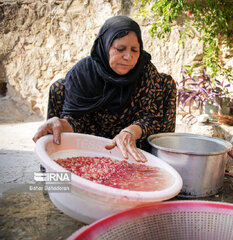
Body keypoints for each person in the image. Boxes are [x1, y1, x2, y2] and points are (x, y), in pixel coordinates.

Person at [32, 15, 177, 162]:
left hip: (134, 145)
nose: (128, 57)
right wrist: (61, 124)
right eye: (120, 49)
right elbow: (76, 120)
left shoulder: (145, 70)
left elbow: (152, 117)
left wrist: (130, 131)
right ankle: (55, 169)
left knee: (165, 83)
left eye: (135, 50)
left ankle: (160, 165)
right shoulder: (82, 74)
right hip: (89, 141)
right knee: (58, 88)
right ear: (105, 46)